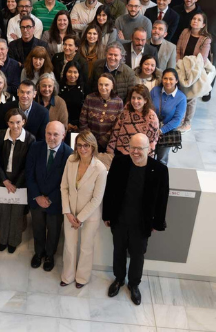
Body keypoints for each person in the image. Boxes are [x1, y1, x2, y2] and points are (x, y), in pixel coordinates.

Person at [103, 133, 169, 306]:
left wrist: (157, 222)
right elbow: (109, 190)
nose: (136, 152)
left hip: (141, 223)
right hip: (120, 219)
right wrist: (107, 215)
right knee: (118, 251)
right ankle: (118, 279)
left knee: (137, 255)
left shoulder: (160, 171)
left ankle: (134, 285)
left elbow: (162, 200)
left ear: (149, 149)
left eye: (140, 148)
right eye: (133, 147)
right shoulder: (119, 163)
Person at [59, 130, 107, 288]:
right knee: (69, 246)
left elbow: (97, 199)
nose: (82, 149)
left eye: (86, 145)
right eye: (79, 145)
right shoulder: (71, 160)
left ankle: (82, 278)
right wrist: (67, 211)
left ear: (93, 146)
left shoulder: (100, 169)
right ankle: (68, 276)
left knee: (86, 247)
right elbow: (64, 187)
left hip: (89, 216)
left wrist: (80, 218)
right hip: (70, 213)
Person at [25, 121, 72, 272]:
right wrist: (37, 196)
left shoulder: (69, 154)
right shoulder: (35, 147)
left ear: (63, 135)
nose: (51, 137)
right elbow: (29, 174)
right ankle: (39, 253)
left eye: (56, 134)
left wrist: (50, 198)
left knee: (53, 230)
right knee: (38, 228)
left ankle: (50, 255)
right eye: (48, 133)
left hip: (56, 201)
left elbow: (66, 182)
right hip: (37, 198)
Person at [0, 108, 35, 253]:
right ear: (7, 123)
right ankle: (2, 239)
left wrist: (16, 184)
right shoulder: (0, 136)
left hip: (20, 183)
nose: (15, 126)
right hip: (2, 181)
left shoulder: (31, 139)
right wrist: (5, 181)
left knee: (17, 214)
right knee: (3, 212)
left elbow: (28, 166)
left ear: (23, 122)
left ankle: (13, 241)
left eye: (18, 122)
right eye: (11, 122)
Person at [107, 85, 160, 156]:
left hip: (139, 154)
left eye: (139, 98)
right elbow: (116, 130)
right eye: (133, 98)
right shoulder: (126, 111)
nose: (135, 101)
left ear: (145, 100)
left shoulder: (151, 116)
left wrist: (149, 157)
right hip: (121, 152)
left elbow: (152, 140)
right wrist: (110, 148)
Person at [150, 68, 187, 165]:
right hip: (151, 129)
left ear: (176, 80)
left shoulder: (181, 98)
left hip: (167, 132)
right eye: (165, 78)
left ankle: (160, 179)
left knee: (161, 160)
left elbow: (177, 119)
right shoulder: (155, 91)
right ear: (162, 79)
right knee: (148, 156)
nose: (168, 81)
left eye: (171, 79)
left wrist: (161, 131)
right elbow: (147, 108)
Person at [79, 73, 124, 152]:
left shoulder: (118, 102)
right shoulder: (89, 98)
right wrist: (90, 139)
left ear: (112, 86)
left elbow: (117, 126)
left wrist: (102, 141)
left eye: (106, 85)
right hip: (88, 142)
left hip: (107, 144)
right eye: (100, 84)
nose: (103, 87)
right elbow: (83, 120)